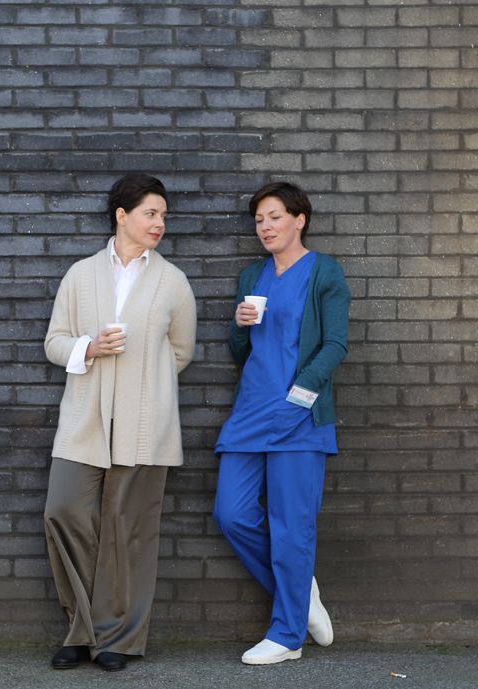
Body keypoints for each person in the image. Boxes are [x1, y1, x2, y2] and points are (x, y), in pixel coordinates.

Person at [42, 173, 197, 672]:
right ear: (122, 215)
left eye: (164, 216)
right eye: (151, 213)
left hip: (145, 425)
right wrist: (88, 348)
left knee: (128, 529)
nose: (159, 223)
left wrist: (143, 384)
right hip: (84, 419)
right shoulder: (81, 275)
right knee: (64, 511)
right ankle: (82, 628)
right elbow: (54, 342)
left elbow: (180, 352)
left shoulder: (173, 282)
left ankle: (116, 639)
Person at [211, 181, 350, 665]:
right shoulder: (254, 274)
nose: (265, 227)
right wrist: (239, 325)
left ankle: (288, 636)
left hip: (299, 416)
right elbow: (240, 350)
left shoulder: (324, 271)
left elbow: (335, 344)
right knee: (231, 513)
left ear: (299, 219)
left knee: (292, 529)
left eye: (274, 217)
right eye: (259, 220)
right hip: (251, 412)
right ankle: (299, 590)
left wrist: (300, 395)